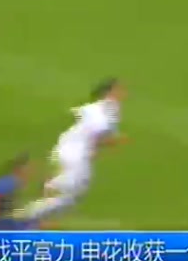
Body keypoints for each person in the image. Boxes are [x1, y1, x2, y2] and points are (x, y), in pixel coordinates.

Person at [20, 77, 127, 220]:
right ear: (109, 92)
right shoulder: (108, 109)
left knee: (76, 190)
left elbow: (88, 128)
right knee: (69, 197)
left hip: (70, 149)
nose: (123, 92)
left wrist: (98, 146)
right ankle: (27, 215)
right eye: (118, 89)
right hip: (75, 154)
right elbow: (98, 132)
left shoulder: (100, 108)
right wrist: (110, 142)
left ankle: (49, 189)